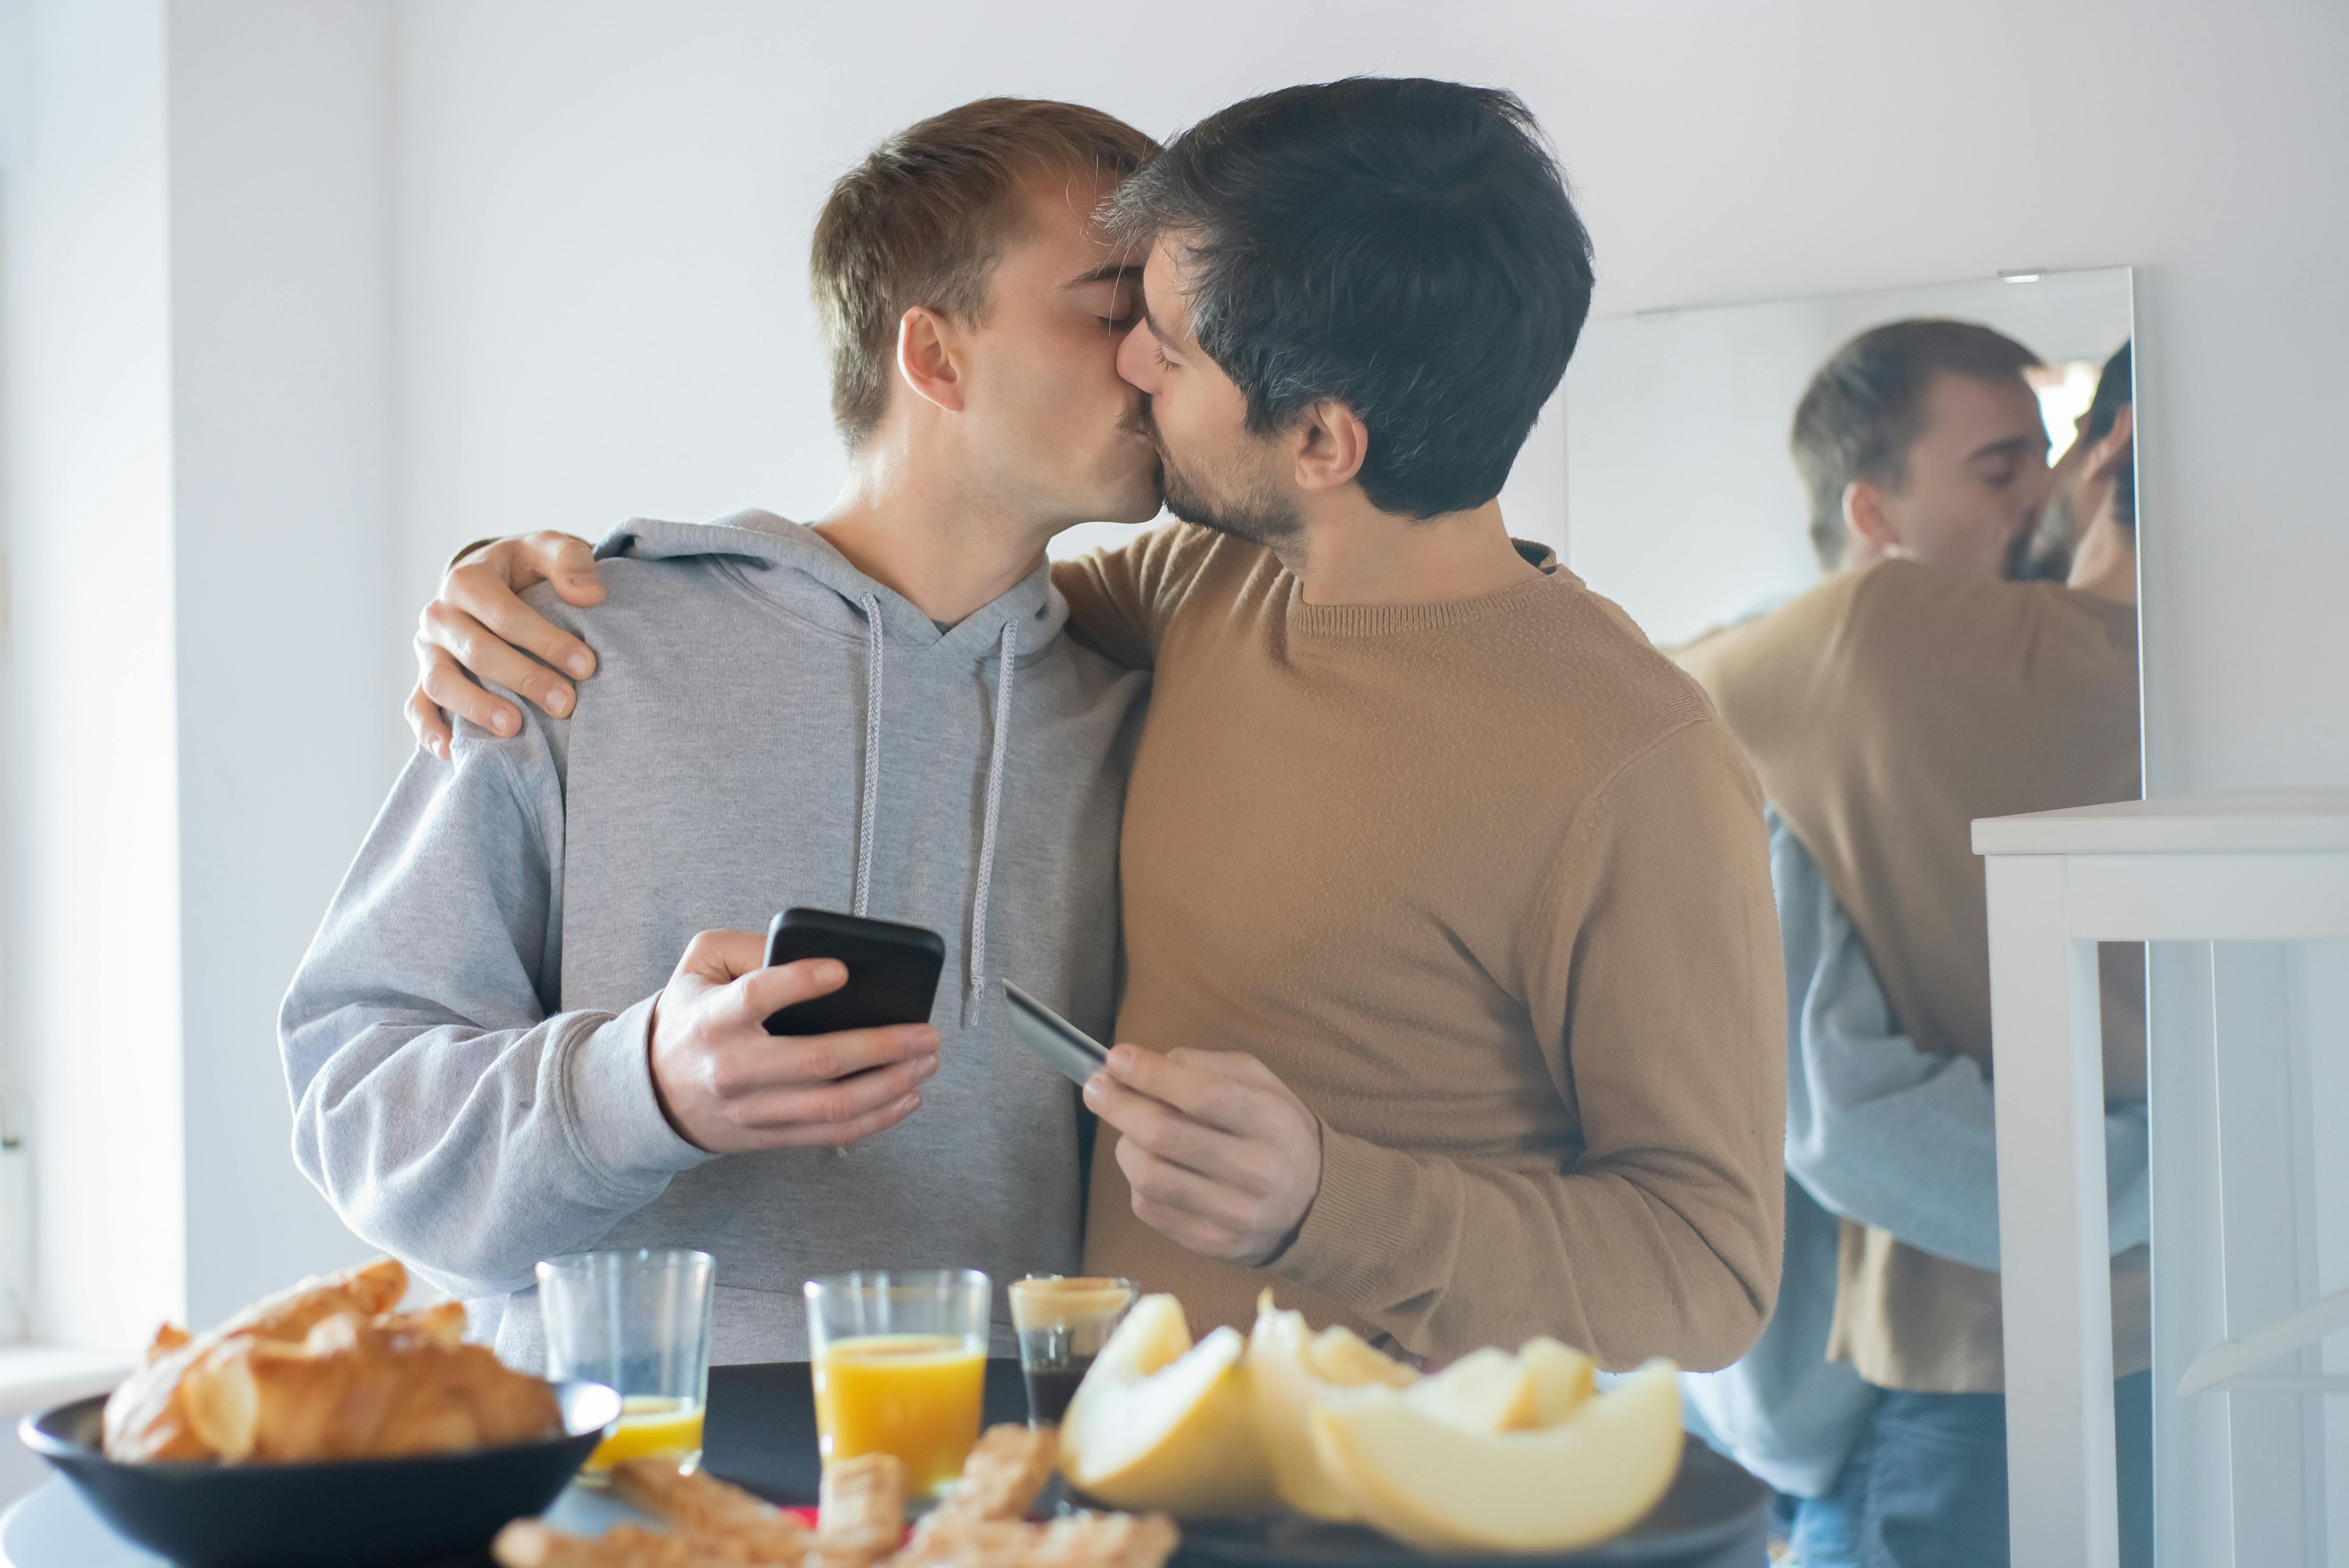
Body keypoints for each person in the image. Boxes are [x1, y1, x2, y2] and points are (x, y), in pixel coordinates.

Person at [407, 78, 1788, 1369]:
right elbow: (903, 604)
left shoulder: (1634, 761)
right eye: (1112, 311)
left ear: (1318, 446)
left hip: (1391, 1510)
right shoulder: (1190, 593)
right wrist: (522, 587)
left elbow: (1712, 1278)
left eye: (1165, 338)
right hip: (1058, 1478)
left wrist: (1333, 1199)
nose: (1133, 362)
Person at [282, 98, 1160, 1367]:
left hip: (999, 1490)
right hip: (626, 1472)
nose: (1155, 355)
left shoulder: (1140, 714)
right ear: (936, 357)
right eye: (1108, 305)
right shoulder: (579, 646)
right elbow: (355, 1107)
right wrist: (641, 1083)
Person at [1677, 333, 2149, 1567]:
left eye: (2037, 461)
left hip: (1923, 1380)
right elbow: (1837, 1111)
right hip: (1854, 1401)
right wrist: (2178, 1172)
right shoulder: (1808, 695)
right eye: (1999, 469)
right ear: (1873, 516)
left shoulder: (1987, 691)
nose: (2039, 495)